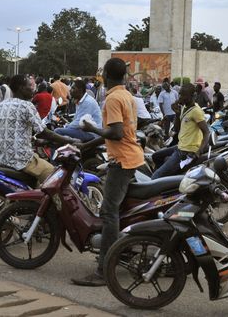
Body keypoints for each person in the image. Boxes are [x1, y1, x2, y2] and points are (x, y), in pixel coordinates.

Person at [72, 58, 144, 286]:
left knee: (108, 212)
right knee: (119, 209)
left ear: (104, 75)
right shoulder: (127, 95)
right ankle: (122, 250)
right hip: (131, 156)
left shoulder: (112, 98)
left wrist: (90, 128)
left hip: (121, 160)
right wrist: (85, 146)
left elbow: (115, 133)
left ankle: (104, 268)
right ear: (123, 76)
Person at [0, 74, 79, 183]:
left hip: (4, 159)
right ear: (21, 88)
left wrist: (35, 140)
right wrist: (69, 140)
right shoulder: (26, 105)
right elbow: (44, 132)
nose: (33, 89)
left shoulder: (2, 105)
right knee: (56, 176)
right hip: (22, 160)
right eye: (30, 86)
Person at [151, 84, 210, 179]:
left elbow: (206, 132)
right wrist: (177, 113)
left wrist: (198, 152)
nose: (180, 97)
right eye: (179, 95)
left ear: (192, 96)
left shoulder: (196, 111)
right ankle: (163, 177)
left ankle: (158, 179)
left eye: (183, 95)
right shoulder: (183, 107)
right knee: (156, 156)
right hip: (181, 146)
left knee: (155, 177)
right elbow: (177, 129)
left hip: (187, 150)